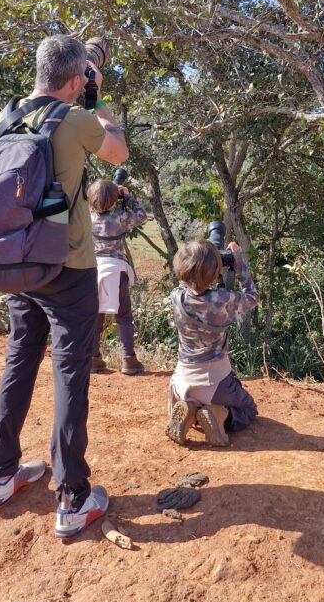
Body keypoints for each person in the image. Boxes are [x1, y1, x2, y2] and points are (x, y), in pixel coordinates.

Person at [0, 35, 128, 539]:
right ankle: (72, 497)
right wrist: (98, 98)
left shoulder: (10, 114)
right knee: (70, 373)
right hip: (67, 267)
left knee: (20, 358)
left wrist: (82, 82)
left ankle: (1, 474)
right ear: (75, 78)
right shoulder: (76, 118)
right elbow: (117, 150)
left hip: (19, 261)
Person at [165, 239, 260, 447]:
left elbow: (187, 282)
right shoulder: (223, 299)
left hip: (182, 381)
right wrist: (238, 262)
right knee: (249, 409)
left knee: (195, 398)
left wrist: (201, 262)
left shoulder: (176, 296)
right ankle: (219, 415)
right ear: (215, 271)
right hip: (216, 382)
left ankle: (189, 410)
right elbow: (252, 297)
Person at [87, 178, 148, 375]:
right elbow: (141, 215)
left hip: (94, 271)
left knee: (96, 317)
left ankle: (94, 358)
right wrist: (127, 196)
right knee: (123, 318)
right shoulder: (120, 218)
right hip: (116, 270)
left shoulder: (88, 218)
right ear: (114, 200)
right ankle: (129, 360)